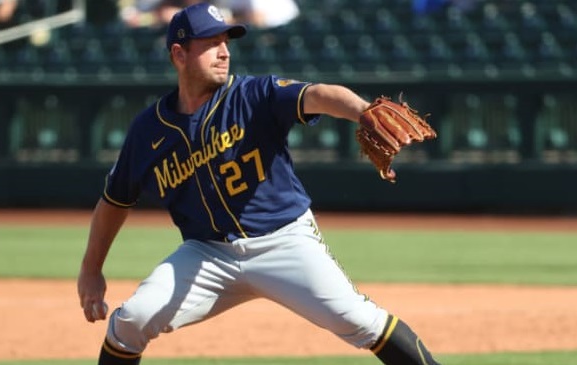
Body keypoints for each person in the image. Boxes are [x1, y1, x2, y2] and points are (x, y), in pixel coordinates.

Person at [76, 2, 443, 365]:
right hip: (207, 254)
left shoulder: (255, 94)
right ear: (179, 53)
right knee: (132, 320)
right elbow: (114, 201)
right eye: (210, 42)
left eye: (227, 41)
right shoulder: (148, 129)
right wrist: (91, 270)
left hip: (284, 242)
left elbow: (318, 95)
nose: (223, 52)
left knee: (361, 321)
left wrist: (362, 111)